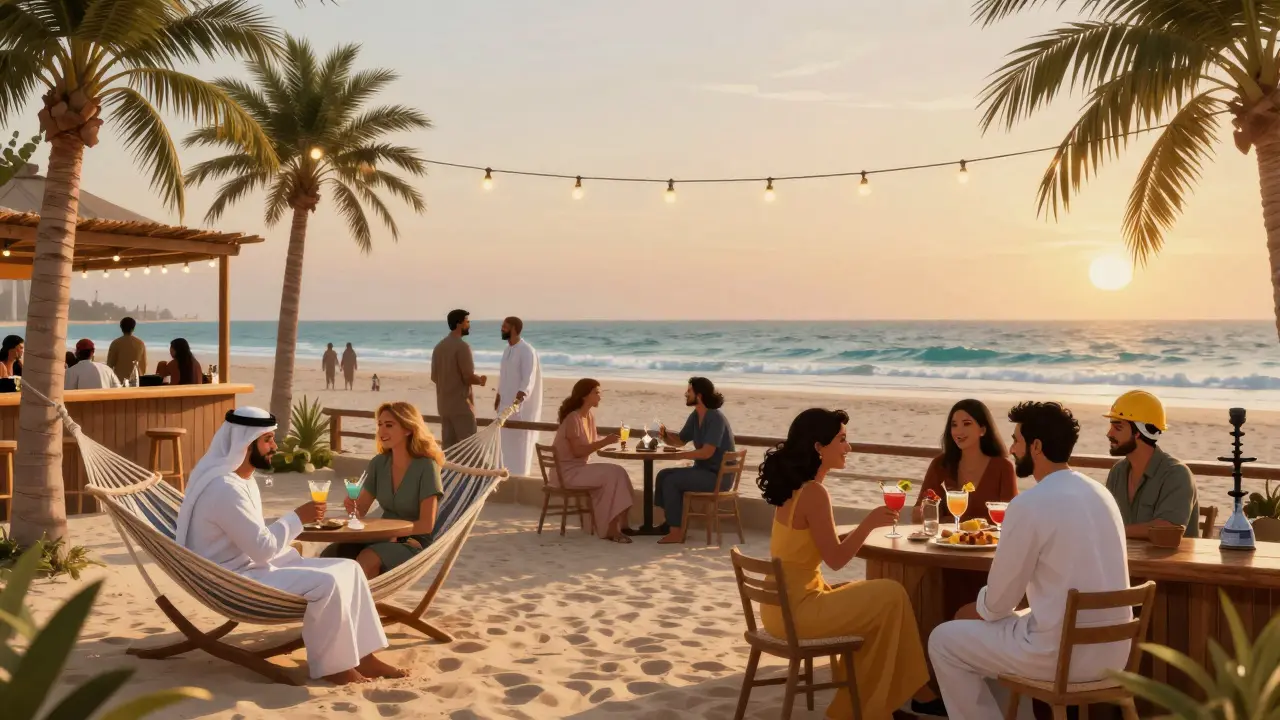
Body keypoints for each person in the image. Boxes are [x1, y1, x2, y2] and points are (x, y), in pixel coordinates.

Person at [929, 402, 1132, 720]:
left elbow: (997, 605)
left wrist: (978, 608)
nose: (1010, 448)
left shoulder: (1030, 504)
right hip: (1114, 655)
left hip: (1060, 658)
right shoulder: (1101, 494)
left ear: (1036, 446)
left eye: (1017, 440)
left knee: (944, 639)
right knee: (1003, 628)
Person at [175, 407, 404, 684]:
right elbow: (261, 548)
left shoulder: (240, 481)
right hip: (236, 579)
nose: (274, 446)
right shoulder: (224, 488)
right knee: (327, 585)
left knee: (350, 569)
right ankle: (334, 666)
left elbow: (253, 536)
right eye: (268, 440)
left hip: (252, 567)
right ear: (247, 444)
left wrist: (291, 529)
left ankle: (365, 657)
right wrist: (299, 517)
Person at [758, 408, 932, 719]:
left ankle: (884, 702)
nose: (848, 447)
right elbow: (836, 560)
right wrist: (868, 525)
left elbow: (819, 546)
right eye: (842, 439)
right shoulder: (814, 493)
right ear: (818, 447)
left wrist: (859, 529)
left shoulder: (793, 489)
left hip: (778, 609)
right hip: (799, 613)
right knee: (892, 594)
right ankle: (876, 705)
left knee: (881, 603)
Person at [329, 402, 444, 579]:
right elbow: (361, 510)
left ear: (408, 429)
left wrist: (395, 535)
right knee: (335, 552)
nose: (382, 431)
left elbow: (426, 524)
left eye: (389, 425)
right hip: (382, 537)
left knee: (367, 558)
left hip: (412, 541)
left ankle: (362, 605)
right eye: (380, 425)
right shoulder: (379, 463)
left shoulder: (426, 467)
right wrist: (352, 507)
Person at [1104, 390, 1199, 539]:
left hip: (1171, 562)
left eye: (1118, 427)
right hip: (1125, 561)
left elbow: (1169, 529)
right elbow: (1106, 520)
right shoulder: (1117, 472)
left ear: (1139, 432)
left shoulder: (1177, 474)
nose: (1109, 434)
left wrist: (1116, 530)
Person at [653, 377, 736, 544]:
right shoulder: (696, 415)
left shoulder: (715, 418)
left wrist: (681, 456)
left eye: (689, 391)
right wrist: (665, 435)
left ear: (699, 395)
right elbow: (681, 440)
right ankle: (670, 522)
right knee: (663, 475)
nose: (686, 394)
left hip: (718, 477)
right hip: (702, 472)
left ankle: (677, 532)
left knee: (672, 481)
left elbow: (706, 452)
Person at [552, 379, 635, 543]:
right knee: (613, 474)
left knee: (620, 472)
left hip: (580, 469)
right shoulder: (573, 419)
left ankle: (622, 524)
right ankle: (611, 529)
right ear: (585, 396)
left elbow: (591, 442)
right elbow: (578, 451)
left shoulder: (588, 416)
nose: (600, 396)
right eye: (596, 392)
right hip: (567, 474)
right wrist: (605, 442)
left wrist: (609, 443)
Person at [913, 399, 1018, 524]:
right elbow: (917, 515)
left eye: (967, 424)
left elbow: (1012, 518)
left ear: (983, 430)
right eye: (954, 425)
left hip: (988, 542)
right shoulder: (940, 464)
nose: (958, 431)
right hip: (946, 542)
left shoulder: (1003, 467)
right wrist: (927, 511)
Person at [431, 309, 487, 448]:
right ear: (459, 324)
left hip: (444, 406)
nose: (469, 325)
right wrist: (480, 380)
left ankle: (449, 471)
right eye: (467, 322)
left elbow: (434, 377)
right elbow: (467, 377)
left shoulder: (439, 347)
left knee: (449, 450)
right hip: (461, 407)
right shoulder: (462, 347)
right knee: (469, 449)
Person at [494, 316, 542, 476]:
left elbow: (528, 378)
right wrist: (498, 396)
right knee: (504, 447)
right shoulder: (507, 350)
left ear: (514, 329)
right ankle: (504, 476)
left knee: (519, 447)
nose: (502, 329)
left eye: (505, 327)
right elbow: (504, 377)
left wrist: (518, 399)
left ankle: (519, 477)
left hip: (519, 409)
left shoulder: (527, 350)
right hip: (504, 408)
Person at [106, 316, 147, 383]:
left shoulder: (115, 343)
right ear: (133, 328)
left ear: (121, 328)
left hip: (119, 381)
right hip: (137, 380)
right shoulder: (140, 343)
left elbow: (109, 365)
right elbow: (143, 365)